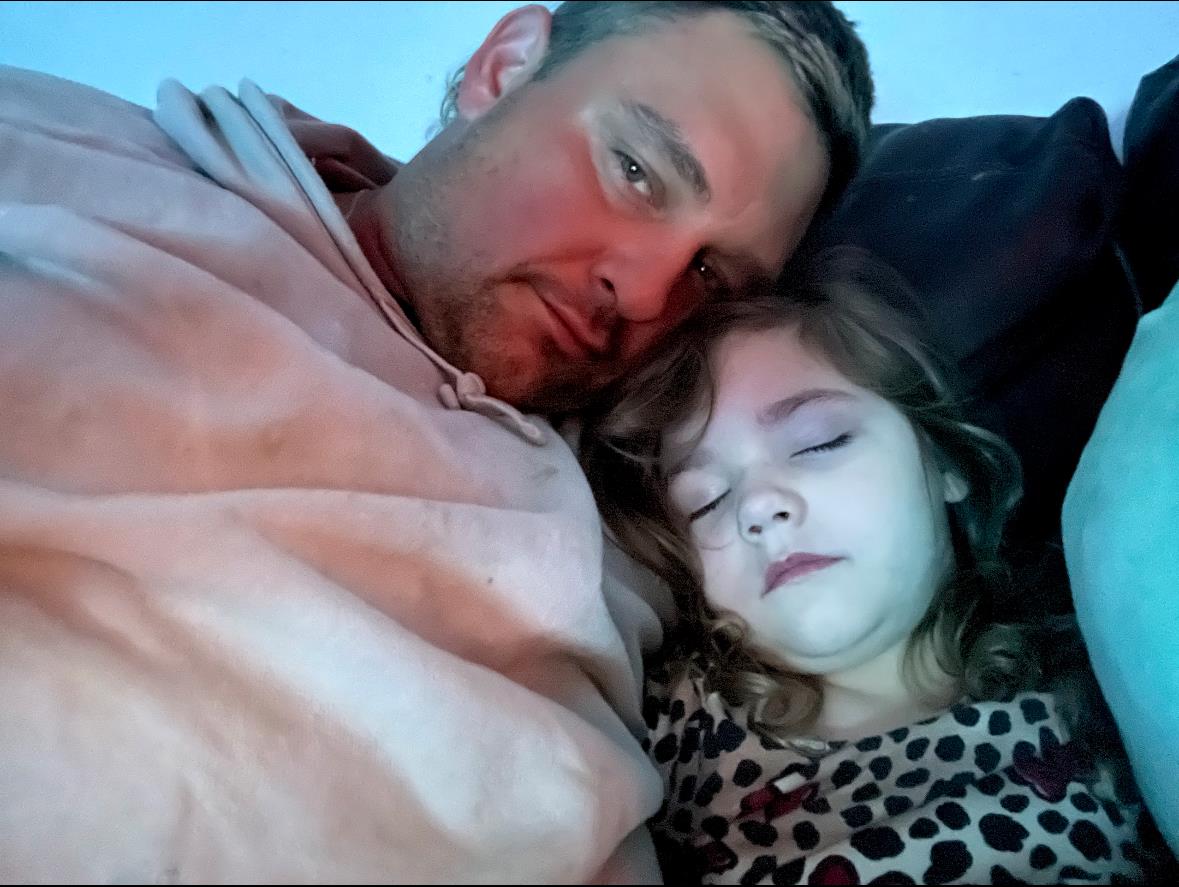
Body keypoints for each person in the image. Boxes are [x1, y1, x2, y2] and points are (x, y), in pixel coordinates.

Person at [0, 2, 873, 883]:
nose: (644, 296)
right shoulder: (51, 143)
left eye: (708, 274)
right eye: (637, 170)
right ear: (502, 66)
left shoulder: (642, 505)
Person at [579, 248, 1149, 884]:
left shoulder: (1101, 688)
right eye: (705, 501)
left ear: (945, 463)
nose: (760, 508)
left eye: (819, 441)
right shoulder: (667, 727)